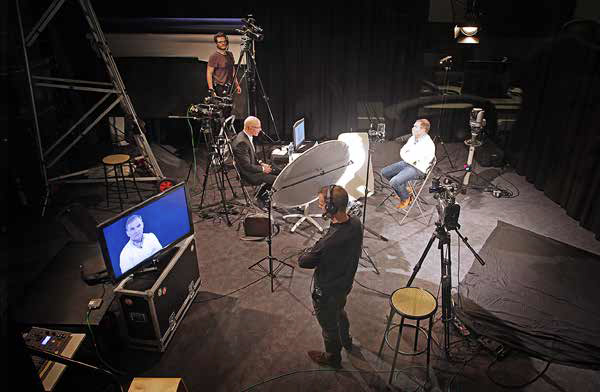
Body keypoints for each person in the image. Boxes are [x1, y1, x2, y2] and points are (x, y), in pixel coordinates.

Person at [298, 185, 363, 368]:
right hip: (345, 283)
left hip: (327, 290)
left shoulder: (328, 242)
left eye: (321, 204)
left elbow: (304, 261)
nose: (319, 207)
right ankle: (347, 341)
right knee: (340, 311)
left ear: (331, 208)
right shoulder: (356, 223)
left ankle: (333, 357)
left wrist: (309, 250)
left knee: (328, 325)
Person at [381, 118, 436, 209]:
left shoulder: (428, 144)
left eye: (415, 126)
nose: (412, 128)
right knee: (385, 172)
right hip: (407, 163)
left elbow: (416, 158)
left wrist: (409, 156)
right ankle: (405, 190)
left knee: (394, 182)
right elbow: (403, 151)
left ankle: (405, 197)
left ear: (423, 130)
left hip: (418, 169)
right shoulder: (412, 138)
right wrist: (408, 156)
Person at [231, 116, 280, 187]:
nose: (260, 130)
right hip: (250, 175)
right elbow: (246, 166)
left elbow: (252, 155)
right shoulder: (241, 143)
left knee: (278, 170)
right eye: (258, 127)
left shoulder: (248, 136)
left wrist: (261, 163)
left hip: (254, 167)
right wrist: (263, 169)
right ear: (249, 128)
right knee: (278, 180)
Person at [206, 32, 241, 97]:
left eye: (224, 41)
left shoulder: (230, 54)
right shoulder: (214, 56)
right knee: (220, 106)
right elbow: (209, 73)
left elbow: (233, 71)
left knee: (230, 106)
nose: (223, 43)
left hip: (230, 87)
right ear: (216, 43)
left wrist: (237, 84)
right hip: (219, 88)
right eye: (220, 42)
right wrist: (211, 90)